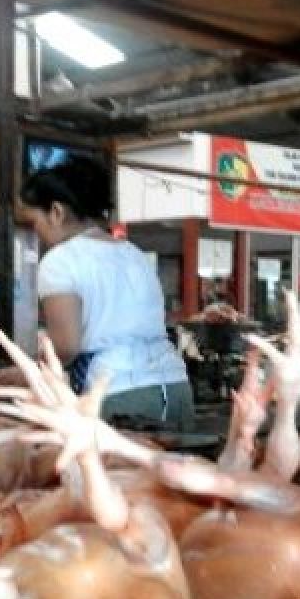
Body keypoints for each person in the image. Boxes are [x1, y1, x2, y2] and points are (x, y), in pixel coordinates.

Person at [16, 157, 193, 429]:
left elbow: (66, 348)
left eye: (34, 222)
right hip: (175, 386)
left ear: (56, 212)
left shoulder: (60, 260)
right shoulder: (133, 254)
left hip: (117, 396)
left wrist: (25, 373)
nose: (36, 233)